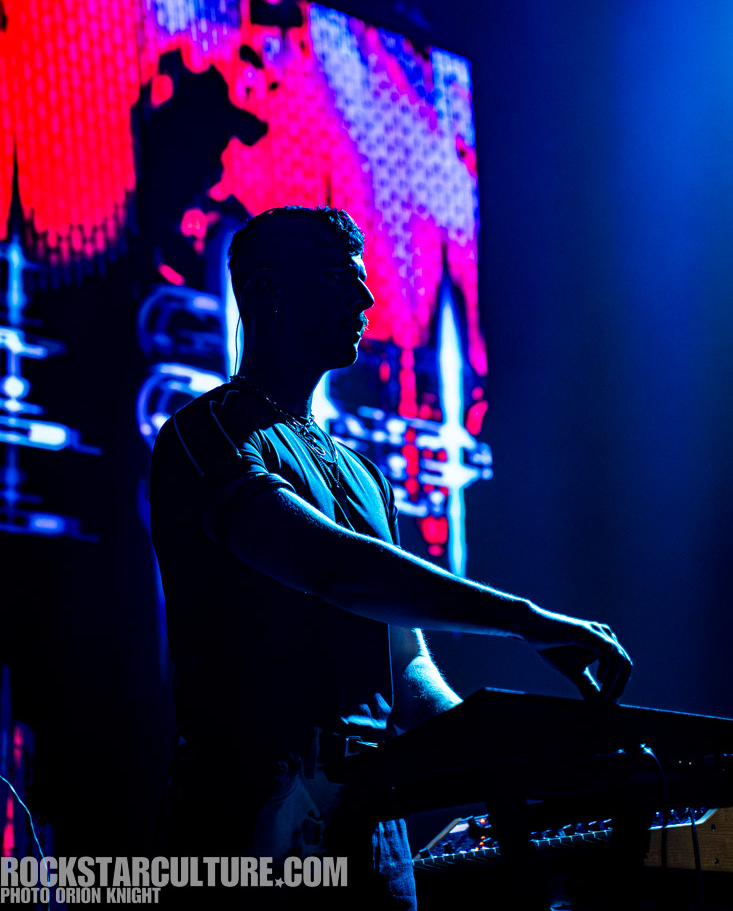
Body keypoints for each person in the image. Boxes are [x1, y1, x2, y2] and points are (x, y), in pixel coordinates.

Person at [150, 205, 632, 908]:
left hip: (373, 828)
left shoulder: (365, 473)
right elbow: (333, 570)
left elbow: (405, 671)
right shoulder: (205, 433)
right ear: (265, 292)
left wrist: (511, 753)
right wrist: (528, 620)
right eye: (336, 280)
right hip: (250, 817)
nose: (366, 300)